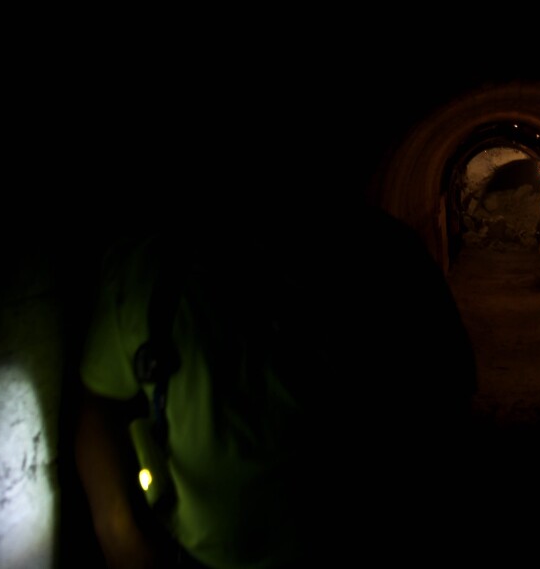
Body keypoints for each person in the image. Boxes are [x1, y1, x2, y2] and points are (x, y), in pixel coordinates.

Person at [74, 197, 478, 569]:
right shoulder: (149, 268)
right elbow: (100, 407)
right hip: (204, 558)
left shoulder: (383, 254)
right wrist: (121, 534)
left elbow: (446, 390)